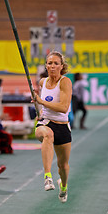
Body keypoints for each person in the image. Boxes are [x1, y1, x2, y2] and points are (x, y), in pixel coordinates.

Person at [33, 51, 72, 203]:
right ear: (46, 66)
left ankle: (63, 187)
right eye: (49, 63)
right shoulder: (42, 82)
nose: (52, 66)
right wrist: (41, 110)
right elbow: (44, 104)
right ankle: (47, 177)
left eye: (56, 63)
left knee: (63, 166)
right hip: (46, 123)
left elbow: (63, 107)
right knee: (47, 135)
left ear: (62, 66)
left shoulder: (65, 82)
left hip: (62, 126)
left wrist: (41, 103)